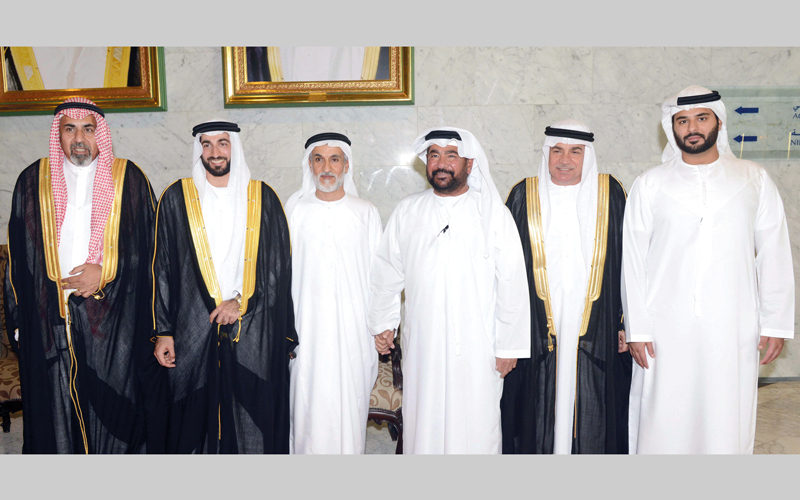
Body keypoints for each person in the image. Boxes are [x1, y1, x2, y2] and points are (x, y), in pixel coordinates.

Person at [623, 86, 795, 454]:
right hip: (664, 328)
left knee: (725, 419)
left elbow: (774, 252)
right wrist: (637, 327)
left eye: (701, 118)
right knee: (662, 418)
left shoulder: (753, 178)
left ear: (719, 122)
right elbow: (633, 262)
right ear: (672, 128)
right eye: (682, 121)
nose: (692, 128)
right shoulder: (650, 184)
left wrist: (775, 323)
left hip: (733, 325)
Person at [4, 97, 156, 453]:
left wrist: (106, 271)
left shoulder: (128, 178)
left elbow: (150, 249)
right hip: (50, 319)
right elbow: (19, 257)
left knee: (114, 410)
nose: (79, 139)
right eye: (69, 129)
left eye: (88, 129)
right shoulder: (32, 180)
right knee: (56, 409)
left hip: (112, 321)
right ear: (57, 134)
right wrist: (21, 319)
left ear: (99, 134)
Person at [368, 126, 530, 454]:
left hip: (478, 348)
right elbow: (386, 273)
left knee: (476, 427)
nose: (441, 163)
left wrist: (509, 345)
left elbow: (512, 282)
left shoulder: (493, 214)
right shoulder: (408, 211)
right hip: (423, 346)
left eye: (451, 155)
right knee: (424, 425)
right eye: (434, 155)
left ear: (470, 163)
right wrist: (384, 323)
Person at [151, 120, 296, 453]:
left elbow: (277, 266)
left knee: (251, 413)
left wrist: (240, 302)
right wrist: (164, 331)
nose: (214, 152)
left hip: (251, 324)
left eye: (222, 143)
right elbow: (162, 268)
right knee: (193, 415)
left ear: (235, 148)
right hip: (192, 327)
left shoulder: (262, 197)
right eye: (207, 144)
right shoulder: (176, 198)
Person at [501, 120, 632, 454]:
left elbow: (628, 260)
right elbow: (505, 267)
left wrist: (624, 322)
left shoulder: (610, 192)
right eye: (557, 150)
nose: (565, 160)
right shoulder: (523, 194)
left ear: (588, 156)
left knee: (595, 402)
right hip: (538, 322)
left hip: (597, 322)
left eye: (575, 151)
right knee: (537, 403)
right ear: (546, 153)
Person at [285, 132, 382, 454]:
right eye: (319, 159)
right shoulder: (294, 211)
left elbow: (380, 277)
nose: (327, 167)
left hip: (354, 333)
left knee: (349, 412)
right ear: (310, 165)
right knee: (306, 412)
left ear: (346, 166)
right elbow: (279, 275)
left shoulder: (366, 212)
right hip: (306, 332)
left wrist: (383, 325)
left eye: (334, 159)